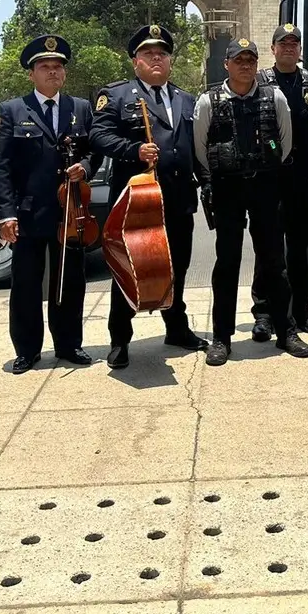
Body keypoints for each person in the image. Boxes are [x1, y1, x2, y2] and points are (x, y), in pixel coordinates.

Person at [89, 24, 209, 369]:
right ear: (135, 61)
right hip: (137, 200)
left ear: (170, 60)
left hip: (177, 199)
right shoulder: (117, 96)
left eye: (162, 54)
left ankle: (176, 328)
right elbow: (99, 135)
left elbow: (195, 147)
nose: (156, 59)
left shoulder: (187, 99)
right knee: (131, 267)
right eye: (148, 54)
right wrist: (134, 149)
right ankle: (120, 339)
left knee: (177, 267)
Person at [194, 37, 308, 365]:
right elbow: (200, 151)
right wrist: (217, 179)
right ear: (226, 64)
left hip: (265, 188)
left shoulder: (273, 97)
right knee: (227, 264)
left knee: (275, 261)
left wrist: (267, 168)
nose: (245, 65)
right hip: (228, 190)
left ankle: (286, 330)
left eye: (251, 60)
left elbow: (285, 144)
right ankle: (221, 337)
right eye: (239, 59)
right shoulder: (209, 101)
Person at [0, 34, 99, 374]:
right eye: (44, 67)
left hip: (71, 210)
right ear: (32, 74)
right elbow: (3, 167)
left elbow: (94, 149)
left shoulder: (80, 108)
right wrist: (5, 214)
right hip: (29, 211)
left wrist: (85, 167)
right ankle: (27, 349)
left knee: (70, 280)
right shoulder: (11, 110)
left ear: (64, 73)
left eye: (57, 67)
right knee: (25, 282)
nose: (52, 72)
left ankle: (69, 344)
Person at [249, 23, 308, 340]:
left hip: (301, 178)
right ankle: (264, 313)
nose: (289, 48)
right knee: (267, 249)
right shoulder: (259, 81)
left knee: (299, 248)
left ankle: (301, 311)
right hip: (269, 178)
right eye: (284, 43)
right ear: (273, 49)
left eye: (295, 43)